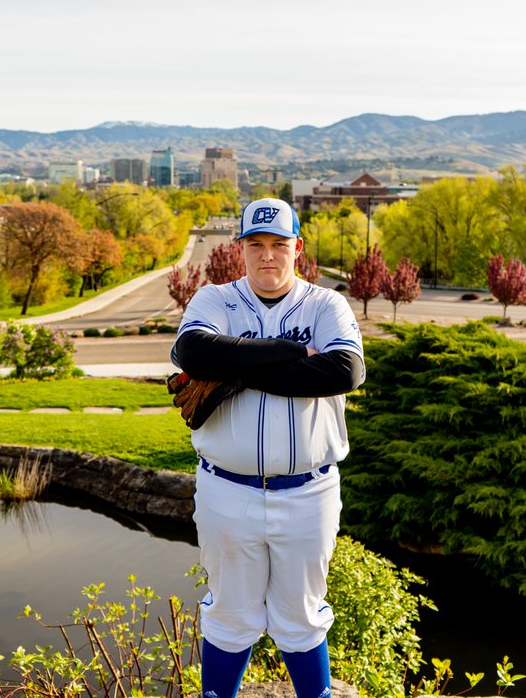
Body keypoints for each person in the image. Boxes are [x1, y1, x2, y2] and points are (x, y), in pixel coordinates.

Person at [169, 197, 365, 698]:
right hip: (225, 491)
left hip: (308, 493)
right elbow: (193, 352)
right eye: (255, 244)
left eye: (279, 245)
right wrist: (295, 352)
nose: (268, 256)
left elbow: (344, 372)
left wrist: (234, 363)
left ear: (297, 248)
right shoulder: (214, 300)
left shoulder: (327, 304)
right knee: (230, 613)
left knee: (301, 614)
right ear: (241, 249)